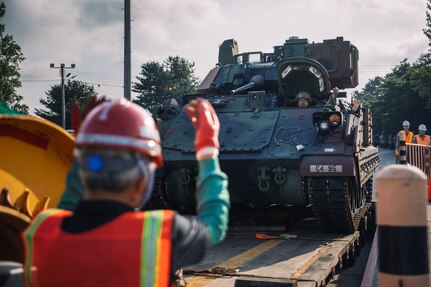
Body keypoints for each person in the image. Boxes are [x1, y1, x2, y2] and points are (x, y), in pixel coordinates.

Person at [22, 98, 230, 287]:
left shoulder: (42, 229)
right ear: (144, 173)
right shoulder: (159, 232)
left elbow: (68, 206)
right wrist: (208, 149)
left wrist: (86, 146)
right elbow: (214, 223)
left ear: (83, 166)